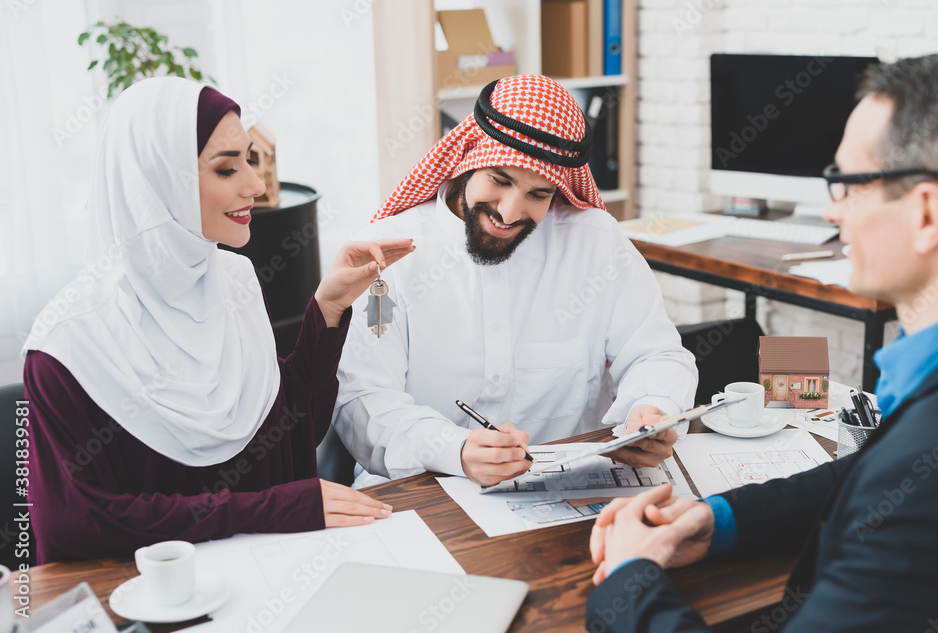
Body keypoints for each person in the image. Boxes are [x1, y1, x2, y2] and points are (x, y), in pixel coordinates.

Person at [586, 52, 938, 632]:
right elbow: (873, 473)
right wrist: (718, 518)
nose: (832, 211)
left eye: (846, 184)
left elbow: (908, 485)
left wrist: (629, 581)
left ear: (927, 214)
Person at [22, 77, 414, 563]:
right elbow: (74, 524)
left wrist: (327, 310)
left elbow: (288, 434)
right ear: (156, 182)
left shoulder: (234, 280)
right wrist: (264, 510)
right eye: (227, 168)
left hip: (265, 573)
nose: (255, 184)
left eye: (249, 159)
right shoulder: (69, 344)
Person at [333, 74, 697, 487]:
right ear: (467, 157)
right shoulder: (386, 256)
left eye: (538, 195)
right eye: (499, 180)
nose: (509, 212)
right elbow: (363, 400)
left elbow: (658, 355)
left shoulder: (594, 242)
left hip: (573, 493)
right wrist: (454, 449)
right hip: (423, 489)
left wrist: (651, 407)